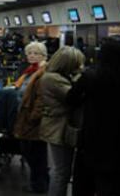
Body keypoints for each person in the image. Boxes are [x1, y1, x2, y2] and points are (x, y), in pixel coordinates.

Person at [67, 38, 120, 196]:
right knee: (119, 188)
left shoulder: (90, 77)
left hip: (93, 141)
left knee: (85, 187)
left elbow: (71, 99)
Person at [38, 47, 85, 196]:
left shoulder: (53, 76)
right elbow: (73, 97)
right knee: (61, 172)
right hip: (58, 128)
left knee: (61, 171)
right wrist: (81, 77)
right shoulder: (53, 79)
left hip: (58, 127)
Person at [14, 42, 49, 194]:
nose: (32, 56)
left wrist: (33, 118)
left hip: (34, 121)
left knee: (36, 155)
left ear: (43, 56)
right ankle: (37, 183)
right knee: (29, 153)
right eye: (29, 53)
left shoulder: (43, 73)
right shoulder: (28, 72)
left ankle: (40, 185)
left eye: (36, 53)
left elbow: (41, 99)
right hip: (25, 118)